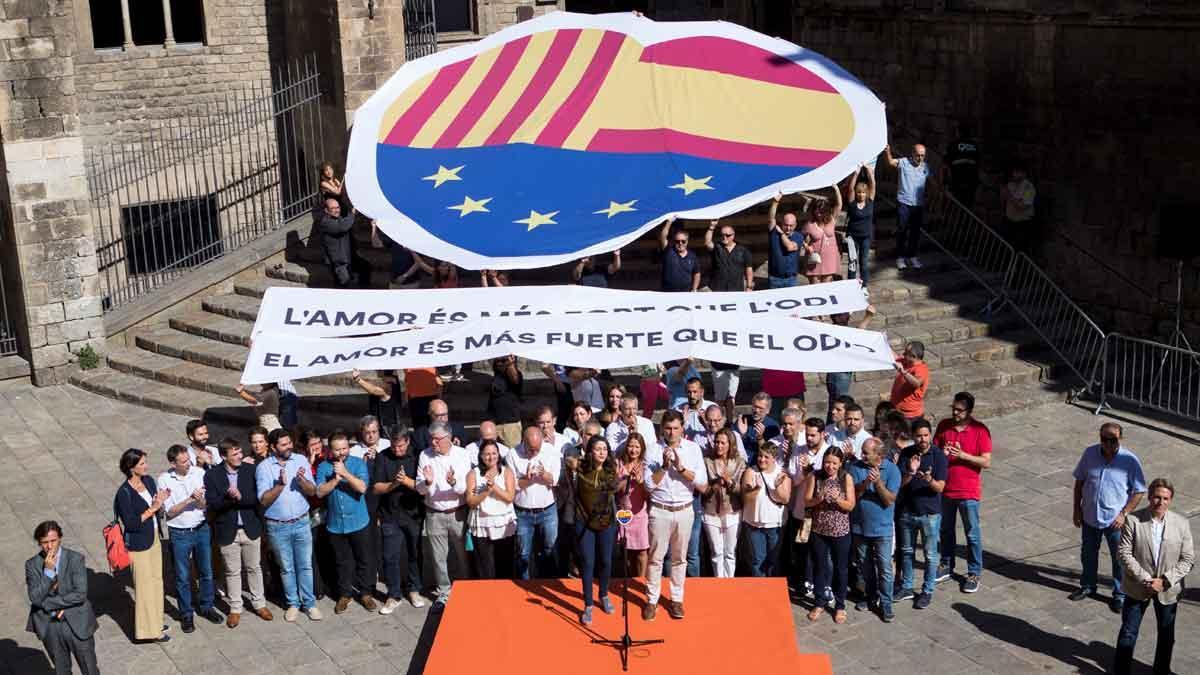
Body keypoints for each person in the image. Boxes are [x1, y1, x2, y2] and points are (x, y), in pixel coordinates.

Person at [1114, 478, 1194, 675]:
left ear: (1171, 500)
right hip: (1138, 586)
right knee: (1128, 633)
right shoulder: (1133, 520)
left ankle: (1161, 671)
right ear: (1149, 497)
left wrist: (1164, 580)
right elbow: (1124, 553)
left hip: (1168, 589)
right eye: (1157, 497)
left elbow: (1188, 559)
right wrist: (1146, 579)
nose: (1161, 502)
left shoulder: (1181, 524)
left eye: (1165, 498)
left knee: (1167, 636)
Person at [1070, 422, 1147, 613]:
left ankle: (1119, 595)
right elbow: (1079, 483)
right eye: (1104, 439)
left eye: (1112, 440)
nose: (1108, 443)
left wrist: (1124, 514)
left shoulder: (1130, 461)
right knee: (1088, 554)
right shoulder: (1089, 454)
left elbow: (1139, 491)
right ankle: (1088, 586)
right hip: (1090, 516)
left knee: (1119, 559)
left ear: (1120, 439)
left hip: (1115, 521)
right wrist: (1076, 510)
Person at [642, 410, 708, 621]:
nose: (671, 432)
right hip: (660, 510)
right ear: (662, 429)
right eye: (668, 429)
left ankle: (676, 599)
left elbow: (703, 484)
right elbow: (648, 485)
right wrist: (664, 466)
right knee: (655, 558)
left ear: (682, 429)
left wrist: (680, 467)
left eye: (676, 428)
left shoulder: (693, 449)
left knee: (680, 559)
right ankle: (651, 600)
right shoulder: (652, 450)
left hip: (684, 510)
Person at [256, 428, 321, 622]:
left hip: (301, 521)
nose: (289, 447)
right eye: (284, 444)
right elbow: (263, 500)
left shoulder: (300, 460)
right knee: (286, 567)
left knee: (305, 565)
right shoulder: (264, 468)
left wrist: (302, 481)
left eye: (289, 443)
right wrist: (280, 486)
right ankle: (293, 603)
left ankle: (309, 604)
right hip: (277, 526)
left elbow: (312, 491)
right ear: (273, 447)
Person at [204, 439, 271, 628]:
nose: (240, 456)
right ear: (224, 456)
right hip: (227, 530)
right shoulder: (212, 475)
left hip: (250, 527)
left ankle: (259, 603)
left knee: (254, 568)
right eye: (235, 454)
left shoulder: (250, 471)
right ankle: (235, 608)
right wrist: (229, 498)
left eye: (240, 452)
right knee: (232, 571)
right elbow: (213, 504)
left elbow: (257, 499)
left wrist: (240, 498)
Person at [157, 444, 221, 632]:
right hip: (180, 533)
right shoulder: (164, 480)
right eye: (183, 462)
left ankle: (207, 606)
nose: (188, 464)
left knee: (206, 571)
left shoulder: (199, 473)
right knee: (183, 576)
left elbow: (205, 504)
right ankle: (186, 613)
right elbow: (169, 512)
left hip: (201, 528)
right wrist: (190, 499)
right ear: (172, 463)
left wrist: (201, 501)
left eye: (188, 460)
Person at [25, 521, 100, 675]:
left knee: (89, 668)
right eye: (45, 542)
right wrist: (48, 573)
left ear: (60, 538)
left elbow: (80, 594)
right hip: (50, 625)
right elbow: (34, 597)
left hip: (77, 622)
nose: (49, 546)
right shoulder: (32, 565)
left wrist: (47, 603)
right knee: (61, 670)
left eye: (53, 541)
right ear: (39, 543)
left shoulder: (75, 559)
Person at [935, 392, 992, 594]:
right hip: (946, 489)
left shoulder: (980, 431)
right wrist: (941, 455)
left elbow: (986, 461)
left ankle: (974, 572)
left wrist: (963, 455)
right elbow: (935, 451)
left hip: (968, 491)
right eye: (953, 408)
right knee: (945, 530)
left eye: (959, 410)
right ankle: (946, 564)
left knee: (972, 534)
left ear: (969, 411)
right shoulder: (944, 426)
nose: (955, 412)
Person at [315, 431, 376, 613]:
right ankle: (345, 594)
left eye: (344, 448)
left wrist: (346, 474)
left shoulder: (357, 464)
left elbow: (363, 488)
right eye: (337, 449)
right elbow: (319, 492)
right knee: (342, 561)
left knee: (363, 559)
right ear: (330, 450)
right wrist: (335, 480)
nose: (342, 452)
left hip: (358, 521)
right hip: (336, 524)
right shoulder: (323, 467)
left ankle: (366, 593)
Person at [114, 449, 170, 643]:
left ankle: (156, 621)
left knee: (156, 581)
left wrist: (160, 502)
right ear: (131, 468)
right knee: (145, 586)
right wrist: (153, 508)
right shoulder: (124, 493)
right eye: (142, 464)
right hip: (138, 544)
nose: (146, 466)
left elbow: (157, 507)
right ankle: (148, 631)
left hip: (153, 537)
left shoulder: (148, 481)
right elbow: (131, 524)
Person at [416, 421, 471, 608]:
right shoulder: (425, 455)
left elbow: (464, 488)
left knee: (463, 554)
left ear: (448, 438)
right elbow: (420, 488)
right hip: (434, 513)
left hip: (458, 512)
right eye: (431, 439)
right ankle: (444, 593)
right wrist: (428, 482)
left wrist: (454, 481)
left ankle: (466, 587)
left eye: (437, 439)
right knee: (438, 557)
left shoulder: (462, 455)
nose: (433, 443)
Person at [372, 425, 427, 612]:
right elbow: (376, 487)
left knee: (414, 553)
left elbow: (424, 486)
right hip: (389, 514)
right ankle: (393, 595)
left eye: (401, 446)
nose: (397, 450)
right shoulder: (383, 456)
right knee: (390, 556)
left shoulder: (418, 455)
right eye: (395, 446)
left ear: (408, 441)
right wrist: (395, 483)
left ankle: (414, 589)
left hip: (413, 514)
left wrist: (406, 482)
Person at [895, 420, 947, 610]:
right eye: (918, 435)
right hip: (907, 511)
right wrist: (911, 471)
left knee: (930, 554)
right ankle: (907, 587)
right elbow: (899, 483)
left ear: (930, 435)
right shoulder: (907, 454)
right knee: (907, 551)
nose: (922, 439)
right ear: (913, 436)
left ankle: (927, 590)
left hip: (930, 514)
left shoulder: (938, 456)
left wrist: (929, 479)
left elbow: (940, 487)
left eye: (925, 435)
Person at [849, 438, 900, 622]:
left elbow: (888, 500)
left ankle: (886, 602)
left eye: (866, 453)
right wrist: (864, 483)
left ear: (879, 455)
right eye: (862, 451)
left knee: (885, 568)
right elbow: (853, 493)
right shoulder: (855, 467)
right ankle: (871, 596)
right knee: (865, 566)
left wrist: (878, 483)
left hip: (882, 529)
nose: (862, 455)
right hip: (860, 527)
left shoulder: (892, 470)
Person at [804, 446, 855, 623]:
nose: (830, 466)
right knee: (820, 566)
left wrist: (837, 499)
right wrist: (818, 499)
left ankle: (840, 605)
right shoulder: (815, 476)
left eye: (834, 463)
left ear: (840, 463)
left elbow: (851, 505)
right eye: (827, 462)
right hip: (819, 530)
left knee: (841, 569)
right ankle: (819, 602)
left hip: (840, 531)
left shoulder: (845, 477)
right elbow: (806, 501)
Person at [575, 436, 622, 624]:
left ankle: (603, 594)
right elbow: (569, 461)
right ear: (590, 452)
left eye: (604, 448)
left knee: (605, 560)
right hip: (584, 522)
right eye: (597, 449)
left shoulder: (612, 472)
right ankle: (588, 605)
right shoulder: (579, 469)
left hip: (606, 522)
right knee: (587, 562)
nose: (602, 452)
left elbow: (615, 489)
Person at [507, 426, 561, 579]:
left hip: (548, 511)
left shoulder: (550, 451)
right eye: (531, 450)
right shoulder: (513, 454)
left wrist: (543, 475)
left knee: (550, 549)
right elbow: (513, 485)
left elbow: (555, 480)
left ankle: (548, 583)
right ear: (523, 442)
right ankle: (525, 586)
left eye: (537, 449)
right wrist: (527, 479)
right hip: (523, 512)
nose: (534, 453)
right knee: (523, 554)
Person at [784, 417, 828, 597]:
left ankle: (823, 584)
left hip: (821, 513)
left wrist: (811, 471)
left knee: (820, 552)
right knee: (802, 549)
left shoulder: (829, 452)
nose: (809, 439)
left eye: (813, 435)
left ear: (822, 434)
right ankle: (805, 581)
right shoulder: (798, 451)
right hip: (801, 510)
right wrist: (804, 473)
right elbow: (794, 481)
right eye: (807, 435)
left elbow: (830, 480)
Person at [741, 434, 792, 577]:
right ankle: (760, 590)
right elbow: (746, 499)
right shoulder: (751, 472)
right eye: (760, 456)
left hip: (775, 524)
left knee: (773, 560)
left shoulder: (782, 474)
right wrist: (754, 490)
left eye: (766, 457)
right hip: (754, 523)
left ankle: (773, 590)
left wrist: (776, 486)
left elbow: (785, 499)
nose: (761, 459)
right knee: (757, 560)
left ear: (774, 458)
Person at [467, 439, 517, 580]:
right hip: (482, 524)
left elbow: (509, 497)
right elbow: (471, 501)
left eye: (494, 453)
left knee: (505, 565)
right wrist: (486, 492)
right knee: (485, 567)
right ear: (481, 455)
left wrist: (494, 487)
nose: (491, 457)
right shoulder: (473, 473)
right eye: (487, 454)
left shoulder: (507, 472)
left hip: (503, 524)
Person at [702, 428, 745, 578]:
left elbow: (742, 490)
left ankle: (729, 583)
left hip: (732, 510)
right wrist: (715, 484)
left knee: (730, 552)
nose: (719, 446)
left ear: (730, 444)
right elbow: (703, 487)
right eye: (717, 442)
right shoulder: (707, 461)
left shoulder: (739, 462)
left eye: (722, 443)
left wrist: (730, 482)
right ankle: (719, 582)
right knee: (717, 551)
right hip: (711, 511)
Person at [883, 143, 932, 269]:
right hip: (904, 202)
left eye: (923, 155)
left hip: (918, 205)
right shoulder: (904, 162)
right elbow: (890, 162)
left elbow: (932, 182)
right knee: (902, 231)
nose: (920, 158)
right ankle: (900, 257)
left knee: (915, 232)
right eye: (918, 155)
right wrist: (888, 151)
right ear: (912, 154)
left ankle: (912, 257)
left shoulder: (925, 167)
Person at [616, 432, 651, 578]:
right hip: (624, 514)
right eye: (630, 446)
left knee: (642, 551)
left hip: (640, 514)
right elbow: (615, 489)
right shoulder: (619, 464)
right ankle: (628, 579)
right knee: (626, 550)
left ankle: (641, 580)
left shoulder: (646, 466)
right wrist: (627, 478)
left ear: (642, 448)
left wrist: (641, 481)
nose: (633, 450)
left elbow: (648, 495)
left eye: (637, 446)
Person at [317, 197, 370, 288]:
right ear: (326, 210)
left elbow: (347, 226)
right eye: (332, 208)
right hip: (338, 262)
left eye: (337, 207)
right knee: (345, 286)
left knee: (365, 267)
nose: (336, 210)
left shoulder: (339, 218)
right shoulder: (325, 222)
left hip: (347, 258)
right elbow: (342, 227)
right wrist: (352, 214)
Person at [845, 164, 876, 290]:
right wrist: (856, 173)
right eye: (859, 192)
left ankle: (864, 286)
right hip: (853, 237)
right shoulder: (852, 203)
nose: (861, 194)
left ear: (866, 193)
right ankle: (851, 286)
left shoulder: (870, 202)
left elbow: (873, 185)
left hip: (865, 237)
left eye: (863, 192)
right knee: (852, 262)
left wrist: (870, 173)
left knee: (863, 263)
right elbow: (850, 189)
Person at [802, 187, 842, 284]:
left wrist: (836, 189)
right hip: (815, 259)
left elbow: (839, 205)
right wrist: (807, 247)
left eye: (821, 211)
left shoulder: (832, 220)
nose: (819, 213)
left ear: (826, 211)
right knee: (814, 286)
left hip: (830, 258)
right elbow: (801, 239)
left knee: (827, 286)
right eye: (817, 210)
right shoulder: (809, 225)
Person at [704, 220, 754, 291]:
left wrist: (749, 286)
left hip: (736, 288)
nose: (725, 237)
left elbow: (749, 269)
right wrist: (711, 227)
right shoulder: (717, 247)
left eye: (727, 235)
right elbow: (707, 243)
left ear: (733, 235)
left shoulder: (743, 250)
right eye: (722, 235)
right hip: (718, 288)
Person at [767, 194, 805, 287]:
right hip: (775, 279)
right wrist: (775, 202)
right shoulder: (774, 233)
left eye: (791, 225)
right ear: (782, 223)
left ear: (795, 225)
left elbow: (790, 247)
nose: (788, 228)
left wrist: (782, 234)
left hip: (791, 279)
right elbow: (771, 218)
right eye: (786, 225)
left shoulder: (798, 236)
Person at [606, 392, 658, 457]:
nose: (631, 413)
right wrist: (629, 439)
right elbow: (612, 453)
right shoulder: (612, 428)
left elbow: (652, 449)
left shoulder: (647, 424)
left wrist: (637, 435)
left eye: (634, 409)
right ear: (620, 409)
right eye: (627, 409)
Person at [1000, 163, 1037, 253]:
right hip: (1009, 222)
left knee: (1019, 250)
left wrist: (1009, 195)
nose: (1015, 175)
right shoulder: (1010, 185)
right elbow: (1003, 201)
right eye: (1015, 172)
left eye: (1018, 172)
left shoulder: (1029, 188)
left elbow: (1022, 206)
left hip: (1022, 224)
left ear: (1024, 174)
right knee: (1006, 247)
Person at [488, 355, 524, 447]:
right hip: (495, 422)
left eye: (503, 361)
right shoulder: (497, 377)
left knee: (511, 454)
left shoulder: (516, 376)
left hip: (510, 426)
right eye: (498, 361)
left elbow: (515, 379)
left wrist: (510, 364)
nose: (500, 363)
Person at [890, 341, 930, 422]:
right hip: (898, 411)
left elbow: (916, 383)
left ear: (913, 356)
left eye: (906, 353)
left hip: (911, 416)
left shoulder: (921, 369)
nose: (903, 354)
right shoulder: (906, 361)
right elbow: (893, 356)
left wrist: (903, 372)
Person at [658, 219, 700, 292]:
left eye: (683, 241)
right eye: (677, 241)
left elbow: (697, 273)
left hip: (685, 293)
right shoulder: (668, 251)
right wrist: (669, 222)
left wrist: (694, 289)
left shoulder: (692, 256)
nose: (680, 243)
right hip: (668, 293)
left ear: (687, 242)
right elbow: (663, 237)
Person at [943, 124, 980, 206]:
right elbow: (978, 162)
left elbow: (945, 163)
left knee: (956, 203)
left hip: (957, 177)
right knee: (968, 204)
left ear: (958, 133)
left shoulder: (953, 144)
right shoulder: (975, 145)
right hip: (972, 178)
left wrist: (944, 181)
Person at [736, 392, 779, 458]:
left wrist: (760, 438)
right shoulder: (742, 420)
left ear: (768, 410)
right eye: (755, 406)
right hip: (740, 460)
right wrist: (742, 435)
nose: (756, 410)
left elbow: (769, 454)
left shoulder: (772, 427)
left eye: (760, 408)